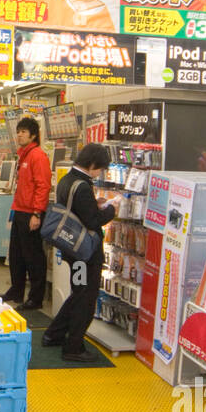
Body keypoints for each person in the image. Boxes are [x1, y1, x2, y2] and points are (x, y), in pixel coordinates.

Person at [43, 142, 122, 363]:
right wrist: (111, 210)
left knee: (78, 293)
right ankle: (74, 347)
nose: (100, 173)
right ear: (93, 164)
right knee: (85, 299)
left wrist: (94, 205)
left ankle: (54, 334)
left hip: (72, 250)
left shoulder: (66, 180)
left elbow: (75, 210)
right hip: (85, 253)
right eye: (101, 168)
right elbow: (92, 221)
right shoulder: (83, 186)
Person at [0, 117, 51, 310]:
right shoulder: (24, 155)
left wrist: (37, 213)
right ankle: (16, 290)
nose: (19, 134)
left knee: (33, 257)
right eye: (18, 131)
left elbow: (43, 186)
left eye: (23, 132)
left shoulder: (37, 156)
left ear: (34, 135)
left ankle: (35, 298)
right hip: (19, 211)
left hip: (31, 214)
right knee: (16, 255)